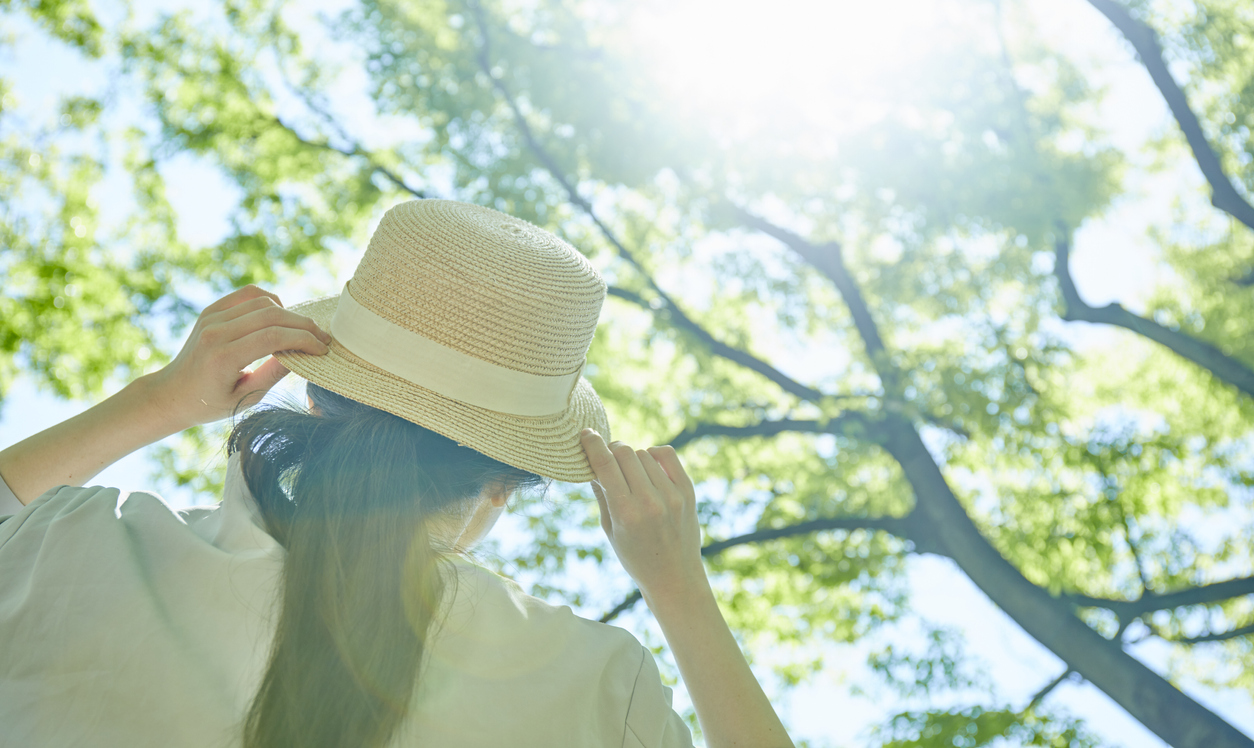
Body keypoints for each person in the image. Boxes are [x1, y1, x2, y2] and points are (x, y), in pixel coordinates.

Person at [0, 200, 793, 748]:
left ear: (314, 395)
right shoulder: (596, 686)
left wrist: (156, 402)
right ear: (502, 483)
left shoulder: (80, 549)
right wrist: (679, 591)